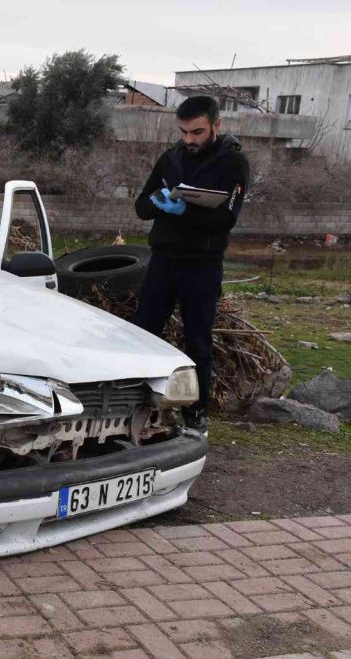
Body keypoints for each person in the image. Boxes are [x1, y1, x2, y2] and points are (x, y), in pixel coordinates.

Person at [134, 96, 250, 435]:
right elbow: (141, 206)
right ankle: (138, 404)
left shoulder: (233, 163)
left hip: (202, 266)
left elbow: (226, 218)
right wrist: (160, 204)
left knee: (198, 340)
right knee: (143, 333)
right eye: (184, 132)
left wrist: (187, 211)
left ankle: (196, 413)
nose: (190, 140)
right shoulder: (171, 158)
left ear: (217, 125)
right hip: (163, 262)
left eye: (197, 132)